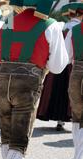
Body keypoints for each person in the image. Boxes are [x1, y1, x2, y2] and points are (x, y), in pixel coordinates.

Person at [0, 0, 68, 159]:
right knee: (19, 141)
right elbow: (58, 66)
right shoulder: (50, 24)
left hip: (2, 76)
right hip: (28, 81)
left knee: (6, 137)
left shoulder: (7, 20)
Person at [37, 4, 81, 132]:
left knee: (56, 90)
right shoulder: (75, 28)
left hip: (60, 62)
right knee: (70, 94)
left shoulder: (63, 27)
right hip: (71, 66)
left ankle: (59, 120)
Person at [65, 2, 83, 159]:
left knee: (78, 117)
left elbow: (67, 55)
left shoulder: (74, 31)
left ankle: (77, 158)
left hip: (76, 72)